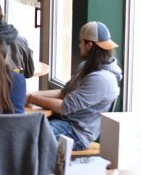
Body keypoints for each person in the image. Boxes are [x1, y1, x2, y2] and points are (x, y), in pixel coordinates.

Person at [27, 21, 122, 150]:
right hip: (64, 121)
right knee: (24, 127)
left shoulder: (102, 79)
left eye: (80, 41)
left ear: (89, 45)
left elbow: (65, 107)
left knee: (28, 136)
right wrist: (29, 94)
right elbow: (64, 93)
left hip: (76, 132)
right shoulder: (86, 66)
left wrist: (31, 99)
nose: (79, 45)